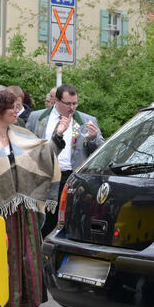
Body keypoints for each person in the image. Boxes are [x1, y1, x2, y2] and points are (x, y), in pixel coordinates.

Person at [0, 86, 63, 307]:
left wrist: (57, 135)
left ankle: (20, 302)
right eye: (12, 107)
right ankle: (0, 305)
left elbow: (44, 152)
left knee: (25, 254)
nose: (17, 111)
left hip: (22, 209)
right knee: (2, 255)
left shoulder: (22, 134)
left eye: (17, 106)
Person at [26, 84, 104, 238]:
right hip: (44, 177)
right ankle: (42, 254)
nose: (72, 108)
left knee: (69, 223)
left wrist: (94, 138)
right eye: (68, 103)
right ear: (56, 100)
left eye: (75, 103)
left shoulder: (87, 119)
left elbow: (101, 151)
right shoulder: (38, 117)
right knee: (44, 222)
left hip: (71, 178)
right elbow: (27, 144)